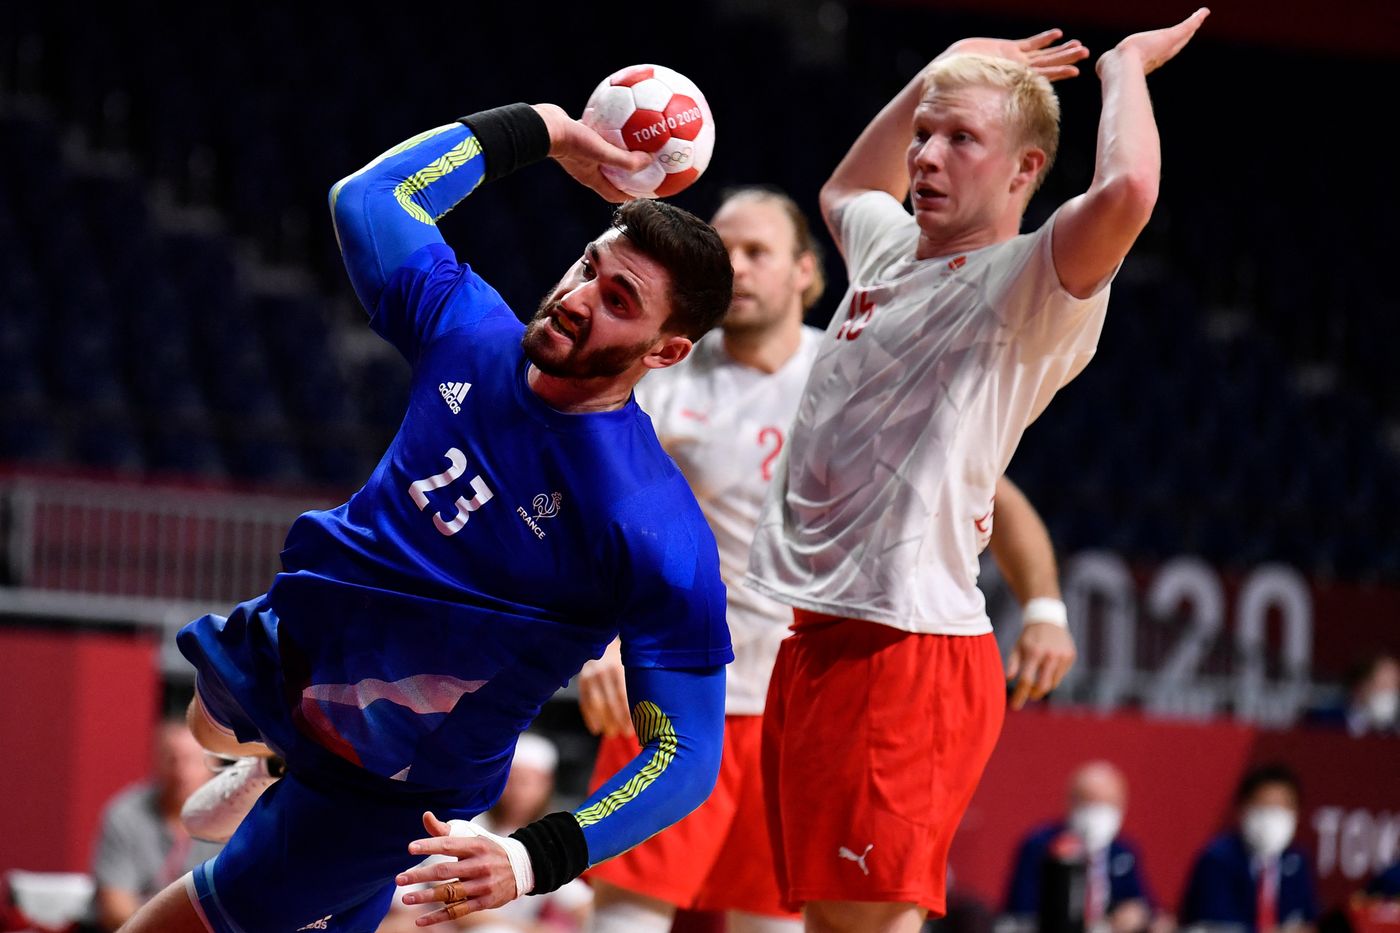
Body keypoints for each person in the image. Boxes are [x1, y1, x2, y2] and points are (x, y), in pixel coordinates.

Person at [117, 97, 736, 933]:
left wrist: (535, 853)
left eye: (620, 298)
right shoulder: (471, 330)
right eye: (589, 265)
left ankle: (287, 784)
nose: (581, 295)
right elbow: (367, 200)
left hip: (395, 768)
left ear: (667, 351)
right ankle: (269, 765)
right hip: (303, 642)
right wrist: (542, 130)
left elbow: (687, 755)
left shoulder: (651, 523)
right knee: (204, 718)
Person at [744, 11, 1211, 933]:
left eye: (962, 140)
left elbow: (1125, 191)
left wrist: (1125, 70)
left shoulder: (1027, 283)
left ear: (1025, 170)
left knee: (863, 926)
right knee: (823, 924)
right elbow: (845, 188)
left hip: (907, 651)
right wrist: (936, 73)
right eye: (924, 134)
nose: (926, 155)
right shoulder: (885, 252)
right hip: (818, 643)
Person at [577, 188, 1069, 933]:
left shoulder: (856, 368)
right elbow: (597, 529)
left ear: (808, 272)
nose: (735, 267)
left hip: (797, 703)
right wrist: (603, 639)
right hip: (674, 691)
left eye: (757, 252)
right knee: (622, 921)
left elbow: (991, 490)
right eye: (723, 251)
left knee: (775, 924)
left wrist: (1045, 609)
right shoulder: (664, 373)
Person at [379, 733, 592, 933]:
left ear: (546, 785)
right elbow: (453, 905)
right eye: (513, 780)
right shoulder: (466, 826)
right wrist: (530, 928)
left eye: (527, 782)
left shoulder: (544, 840)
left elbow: (581, 903)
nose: (518, 790)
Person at [89, 718, 222, 931]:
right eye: (172, 760)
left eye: (192, 761)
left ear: (213, 764)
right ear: (156, 761)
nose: (182, 772)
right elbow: (115, 910)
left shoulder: (236, 820)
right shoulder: (125, 815)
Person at [1003, 761, 1160, 933]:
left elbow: (1145, 905)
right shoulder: (1042, 845)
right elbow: (1021, 909)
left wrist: (1137, 914)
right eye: (1091, 802)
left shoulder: (1123, 851)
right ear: (1071, 802)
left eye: (1108, 804)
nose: (1100, 813)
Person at [1179, 764, 1319, 933]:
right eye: (1265, 806)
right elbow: (1215, 923)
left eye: (1282, 807)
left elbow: (1309, 920)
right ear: (1243, 809)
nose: (1273, 816)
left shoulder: (1296, 861)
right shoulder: (1218, 858)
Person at [1305, 652, 1399, 736]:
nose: (1390, 693)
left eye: (1396, 686)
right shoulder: (1323, 722)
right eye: (1383, 685)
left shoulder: (1394, 733)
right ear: (1361, 685)